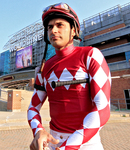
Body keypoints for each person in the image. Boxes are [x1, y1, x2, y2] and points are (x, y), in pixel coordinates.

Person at [27, 3, 111, 150]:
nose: (53, 30)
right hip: (54, 144)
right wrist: (38, 131)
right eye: (49, 27)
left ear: (73, 31)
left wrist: (70, 146)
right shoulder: (43, 68)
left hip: (86, 145)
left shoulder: (91, 55)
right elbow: (33, 108)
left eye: (60, 25)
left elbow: (103, 108)